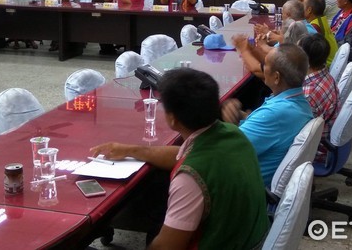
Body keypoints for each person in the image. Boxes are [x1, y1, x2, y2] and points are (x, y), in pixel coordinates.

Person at [89, 68, 270, 249]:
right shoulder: (232, 133)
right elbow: (184, 155)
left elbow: (166, 247)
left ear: (172, 119)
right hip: (252, 239)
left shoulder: (189, 178)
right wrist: (132, 150)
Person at [221, 44, 314, 187]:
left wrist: (228, 124)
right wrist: (240, 115)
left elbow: (227, 151)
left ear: (276, 77)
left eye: (265, 64)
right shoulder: (298, 102)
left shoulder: (274, 114)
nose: (262, 68)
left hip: (244, 186)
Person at [299, 33, 339, 163]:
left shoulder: (309, 92)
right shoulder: (325, 75)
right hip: (324, 141)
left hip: (315, 151)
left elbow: (293, 131)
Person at [304, 0, 338, 66]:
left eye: (303, 5)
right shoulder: (322, 19)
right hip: (332, 61)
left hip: (326, 64)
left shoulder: (314, 27)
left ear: (309, 10)